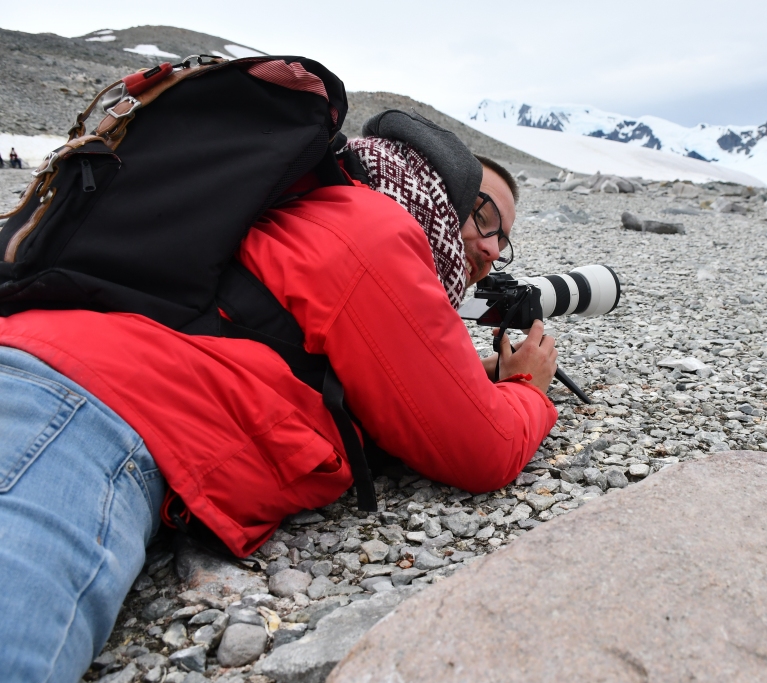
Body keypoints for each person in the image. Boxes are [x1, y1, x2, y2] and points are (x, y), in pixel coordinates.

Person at [0, 127, 558, 681]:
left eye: (503, 238)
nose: (490, 247)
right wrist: (527, 389)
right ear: (439, 193)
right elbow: (482, 448)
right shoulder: (376, 230)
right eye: (481, 216)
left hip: (59, 376)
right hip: (81, 413)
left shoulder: (311, 210)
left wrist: (472, 378)